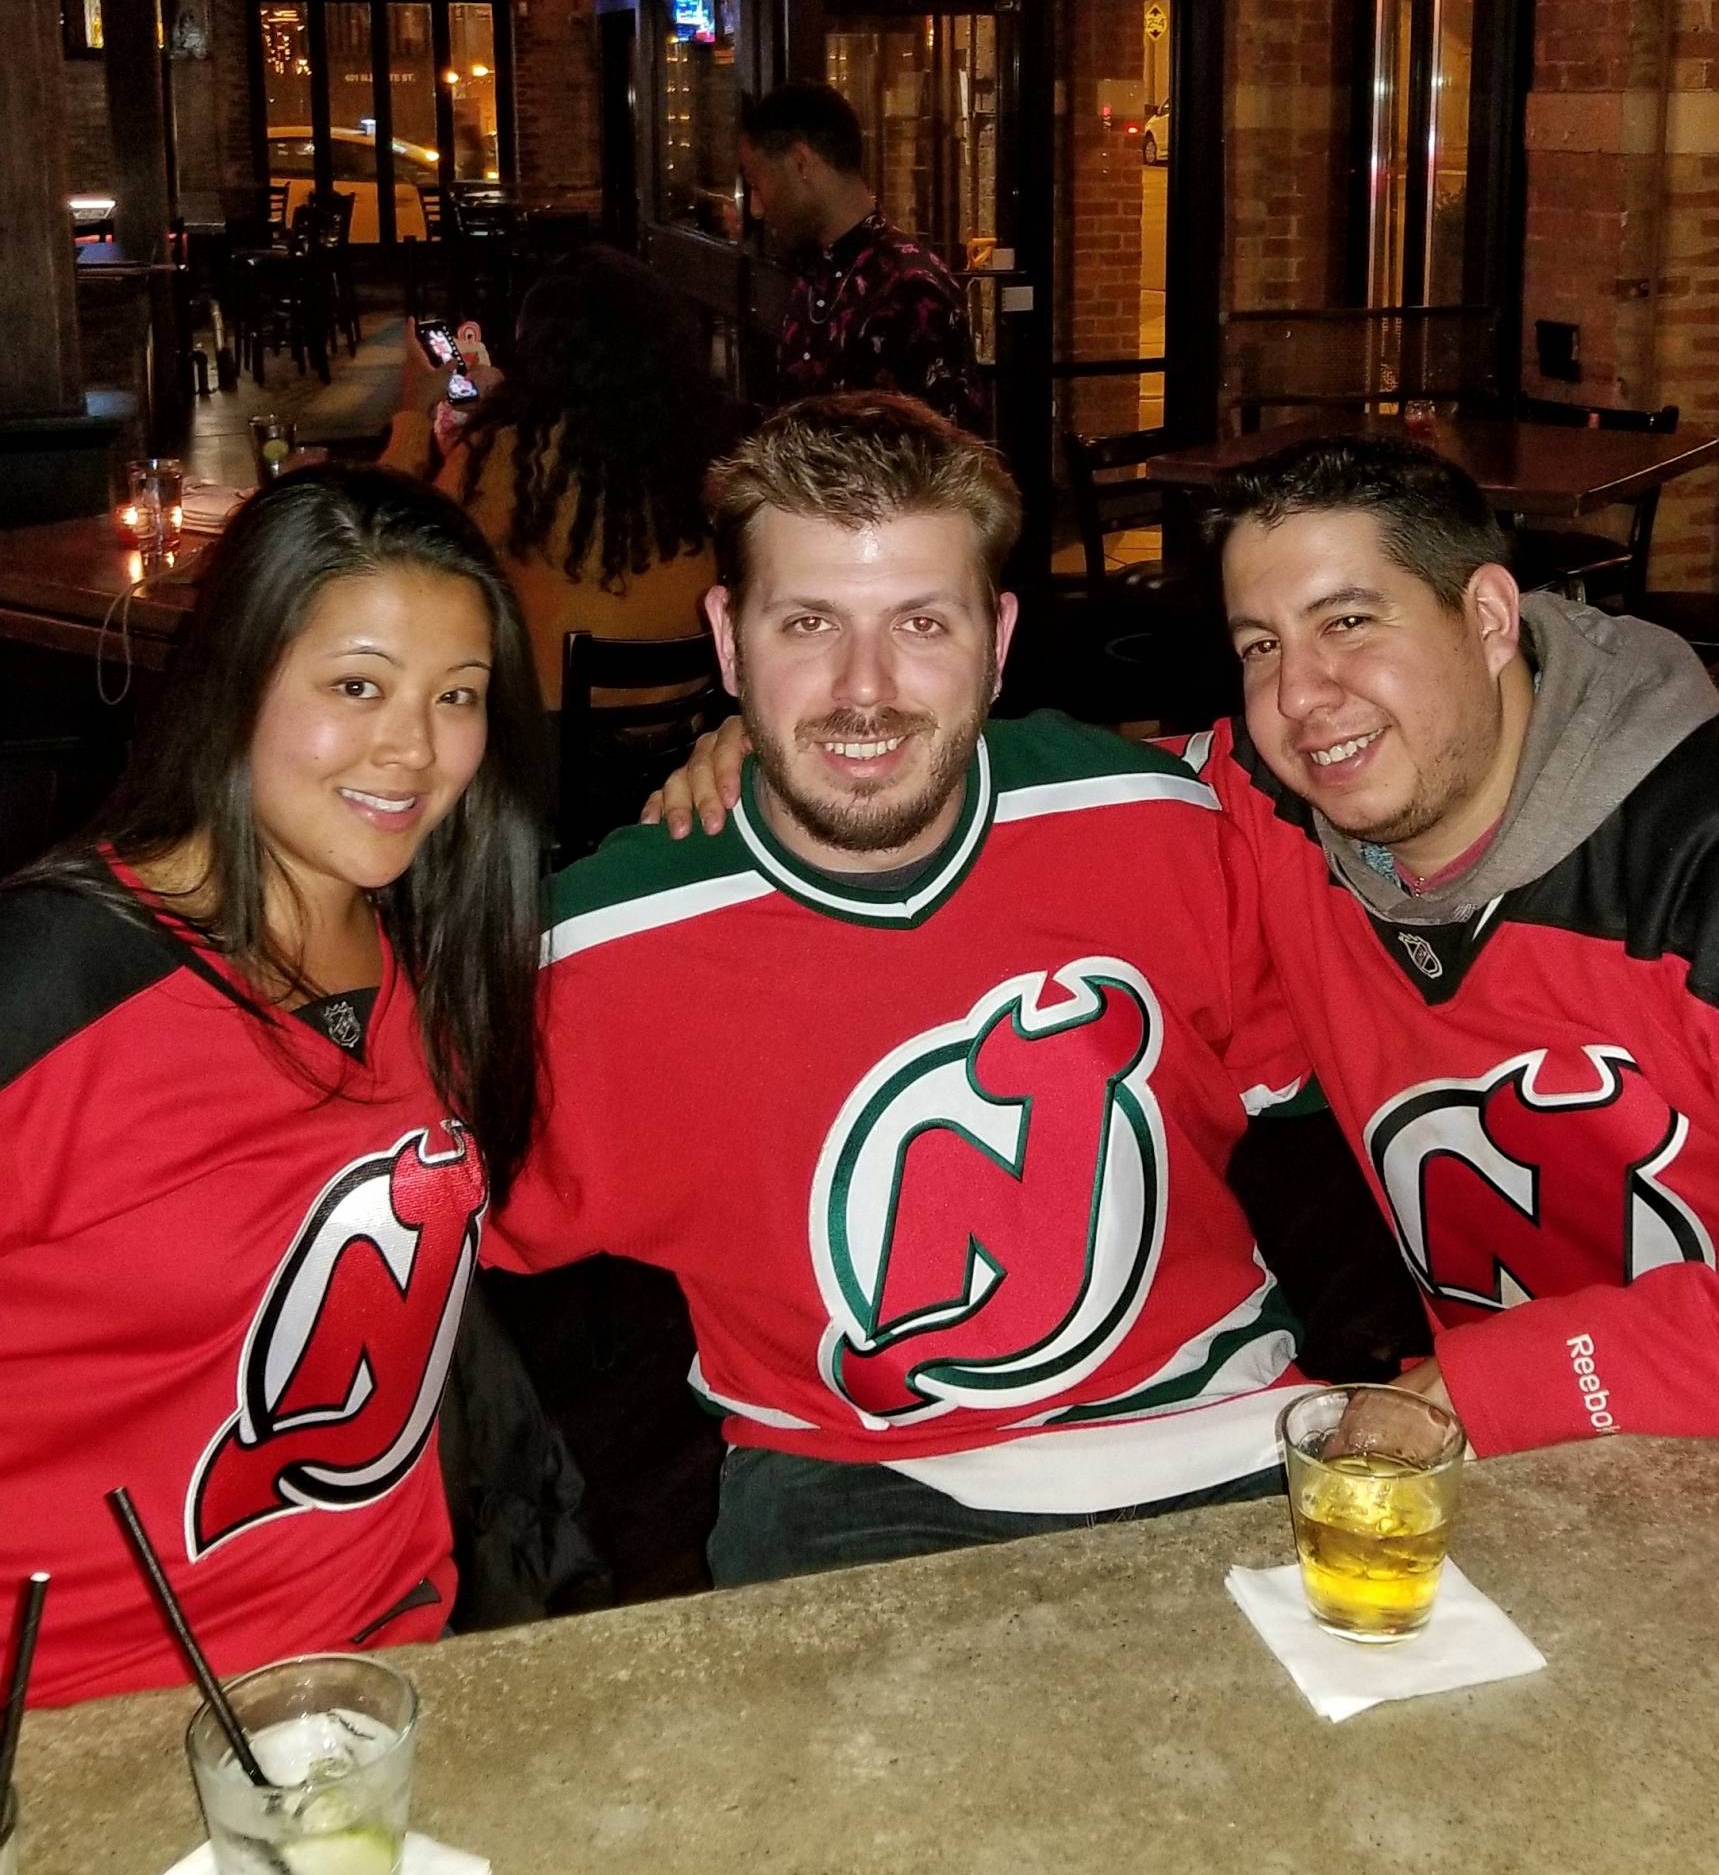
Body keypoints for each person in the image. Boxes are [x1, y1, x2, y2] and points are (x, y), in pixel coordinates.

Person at [650, 432, 1719, 1459]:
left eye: (1350, 622)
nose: (1303, 695)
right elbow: (996, 790)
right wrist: (798, 752)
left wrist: (1474, 1390)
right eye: (1260, 646)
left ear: (1490, 617)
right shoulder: (1263, 818)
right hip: (1519, 1465)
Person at [488, 393, 1311, 1585]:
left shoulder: (1165, 818)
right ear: (728, 639)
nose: (863, 687)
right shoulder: (597, 947)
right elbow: (368, 1192)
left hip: (1226, 1429)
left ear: (999, 638)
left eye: (922, 622)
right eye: (807, 623)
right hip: (850, 1483)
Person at [0, 468, 548, 1705]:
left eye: (457, 696)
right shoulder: (49, 984)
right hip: (99, 1712)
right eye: (356, 686)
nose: (414, 749)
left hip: (395, 1670)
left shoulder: (446, 954)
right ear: (238, 678)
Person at [381, 252, 731, 711]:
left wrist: (413, 412)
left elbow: (389, 543)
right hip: (682, 728)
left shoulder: (511, 454)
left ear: (541, 353)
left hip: (546, 737)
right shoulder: (695, 447)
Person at [740, 81, 981, 428]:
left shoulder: (910, 291)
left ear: (801, 163)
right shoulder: (813, 273)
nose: (756, 208)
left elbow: (943, 454)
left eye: (756, 183)